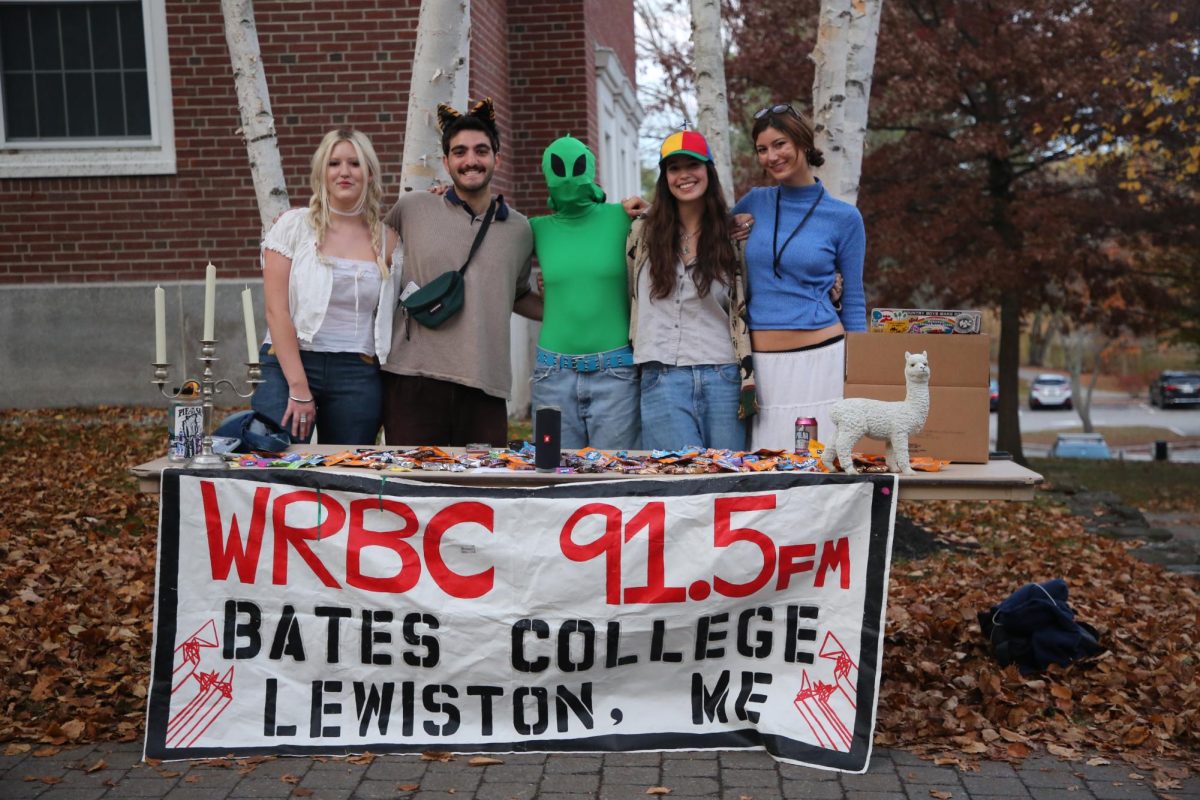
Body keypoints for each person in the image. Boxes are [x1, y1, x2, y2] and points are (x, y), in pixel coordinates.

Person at [381, 98, 542, 447]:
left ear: (497, 158)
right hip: (413, 380)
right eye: (460, 152)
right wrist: (301, 227)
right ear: (446, 162)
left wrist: (567, 307)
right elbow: (366, 257)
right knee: (411, 494)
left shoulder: (520, 229)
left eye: (481, 151)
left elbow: (517, 296)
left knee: (481, 494)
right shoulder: (411, 208)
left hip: (485, 386)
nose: (471, 160)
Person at [732, 104, 866, 451]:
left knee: (822, 468)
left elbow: (853, 300)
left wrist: (861, 376)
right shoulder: (754, 203)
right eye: (762, 149)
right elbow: (699, 234)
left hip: (822, 361)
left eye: (780, 144)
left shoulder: (844, 218)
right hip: (760, 367)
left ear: (803, 143)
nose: (771, 156)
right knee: (763, 466)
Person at [252, 128, 399, 445]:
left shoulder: (388, 240)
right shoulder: (293, 226)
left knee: (348, 472)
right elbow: (276, 311)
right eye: (334, 163)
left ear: (370, 174)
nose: (344, 172)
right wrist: (298, 386)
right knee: (277, 462)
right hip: (288, 360)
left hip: (357, 369)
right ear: (322, 171)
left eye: (355, 163)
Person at [626, 130, 755, 451]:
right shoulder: (641, 232)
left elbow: (749, 296)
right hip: (661, 376)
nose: (684, 175)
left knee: (725, 482)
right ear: (664, 177)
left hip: (722, 374)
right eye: (674, 168)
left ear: (708, 171)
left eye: (692, 165)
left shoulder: (733, 235)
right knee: (675, 487)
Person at [529, 136, 639, 450]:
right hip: (553, 376)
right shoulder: (536, 229)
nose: (567, 178)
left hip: (616, 374)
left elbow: (680, 225)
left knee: (616, 481)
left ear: (589, 169)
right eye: (558, 169)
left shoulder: (624, 218)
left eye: (575, 167)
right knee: (554, 478)